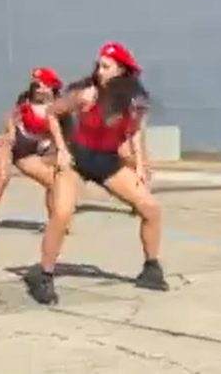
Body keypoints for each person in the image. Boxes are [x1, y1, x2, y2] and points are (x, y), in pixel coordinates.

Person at [25, 41, 168, 304]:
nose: (99, 70)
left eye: (106, 66)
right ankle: (43, 276)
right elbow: (52, 114)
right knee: (62, 213)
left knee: (150, 208)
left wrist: (139, 165)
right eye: (99, 65)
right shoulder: (85, 93)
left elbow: (135, 132)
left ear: (121, 71)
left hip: (108, 161)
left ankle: (151, 268)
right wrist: (62, 149)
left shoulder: (135, 100)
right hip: (77, 159)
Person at [0, 67, 63, 244]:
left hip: (28, 152)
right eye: (35, 85)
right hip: (11, 143)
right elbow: (10, 116)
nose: (38, 89)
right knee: (3, 177)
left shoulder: (59, 108)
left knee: (53, 182)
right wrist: (9, 132)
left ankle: (54, 221)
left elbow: (59, 133)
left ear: (51, 88)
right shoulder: (25, 100)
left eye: (41, 86)